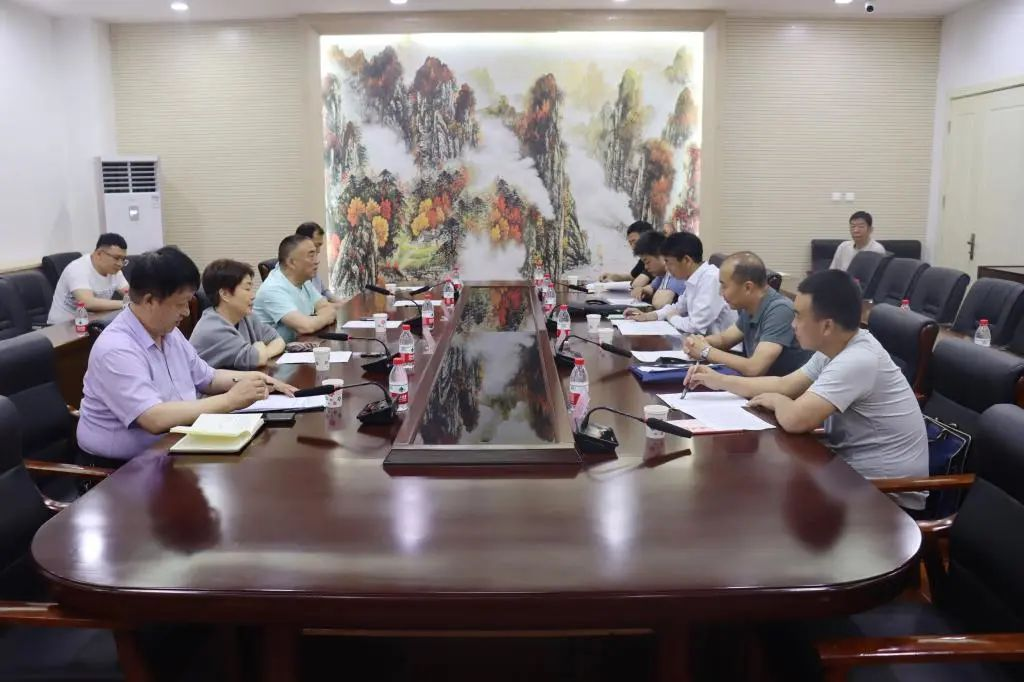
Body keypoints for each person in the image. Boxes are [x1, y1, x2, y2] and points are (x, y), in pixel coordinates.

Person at [686, 270, 928, 512]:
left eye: (798, 316)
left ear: (827, 326)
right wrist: (720, 380)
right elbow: (785, 385)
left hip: (887, 498)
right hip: (849, 474)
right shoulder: (837, 346)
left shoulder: (858, 359)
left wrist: (779, 401)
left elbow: (796, 419)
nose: (793, 325)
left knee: (765, 499)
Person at [76, 247, 295, 466]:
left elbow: (208, 378)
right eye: (181, 304)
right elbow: (153, 418)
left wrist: (254, 380)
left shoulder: (168, 332)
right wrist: (230, 400)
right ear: (150, 301)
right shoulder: (117, 348)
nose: (187, 312)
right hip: (122, 469)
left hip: (175, 447)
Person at [683, 252, 811, 376]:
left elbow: (755, 368)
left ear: (748, 288)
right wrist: (698, 342)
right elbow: (724, 340)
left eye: (724, 286)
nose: (720, 293)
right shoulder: (750, 305)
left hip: (786, 388)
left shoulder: (780, 310)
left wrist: (705, 351)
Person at [624, 232, 737, 335]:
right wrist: (647, 316)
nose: (667, 268)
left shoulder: (710, 278)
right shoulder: (694, 277)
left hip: (723, 347)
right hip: (703, 342)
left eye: (668, 262)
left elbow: (695, 326)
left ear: (686, 260)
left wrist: (672, 317)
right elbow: (678, 307)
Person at [190, 259, 286, 369]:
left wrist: (262, 351)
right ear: (225, 294)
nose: (253, 296)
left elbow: (278, 341)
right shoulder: (213, 329)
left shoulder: (245, 316)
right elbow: (257, 359)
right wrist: (259, 350)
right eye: (247, 289)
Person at [253, 234, 337, 343]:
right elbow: (305, 326)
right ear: (291, 262)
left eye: (316, 254)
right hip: (277, 352)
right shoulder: (272, 289)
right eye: (311, 256)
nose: (317, 261)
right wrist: (322, 318)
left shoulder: (303, 279)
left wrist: (316, 320)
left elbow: (326, 307)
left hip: (302, 344)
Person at [47, 233, 130, 324]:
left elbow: (132, 295)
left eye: (123, 259)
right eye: (116, 258)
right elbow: (87, 303)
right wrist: (126, 304)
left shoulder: (114, 271)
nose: (120, 264)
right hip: (62, 326)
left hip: (93, 322)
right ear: (99, 254)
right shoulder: (77, 268)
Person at [629, 231, 685, 310]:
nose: (646, 267)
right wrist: (643, 290)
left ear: (662, 256)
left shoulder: (677, 273)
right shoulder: (662, 274)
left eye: (647, 262)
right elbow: (651, 287)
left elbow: (659, 304)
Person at [599, 220, 654, 287]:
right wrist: (612, 276)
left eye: (635, 242)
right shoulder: (643, 258)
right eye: (630, 243)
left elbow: (637, 284)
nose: (633, 247)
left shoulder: (656, 257)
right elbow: (633, 276)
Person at [295, 222, 339, 302]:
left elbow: (323, 291)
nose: (318, 251)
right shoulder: (295, 273)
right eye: (316, 245)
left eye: (320, 246)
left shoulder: (311, 265)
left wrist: (341, 302)